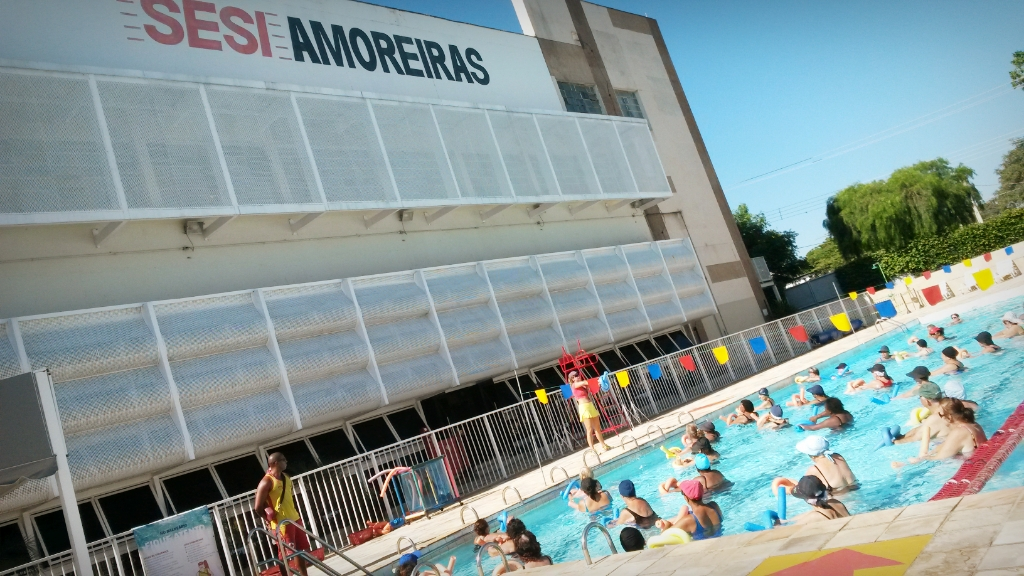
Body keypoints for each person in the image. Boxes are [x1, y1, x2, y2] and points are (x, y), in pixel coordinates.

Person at [255, 453, 310, 576]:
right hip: (281, 524)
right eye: (283, 460)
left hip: (294, 518)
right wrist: (268, 520)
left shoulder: (286, 477)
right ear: (275, 463)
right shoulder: (267, 481)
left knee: (300, 551)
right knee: (284, 555)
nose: (286, 461)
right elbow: (258, 507)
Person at [894, 398, 987, 468]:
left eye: (940, 415)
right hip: (981, 462)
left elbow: (939, 458)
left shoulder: (959, 432)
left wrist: (908, 464)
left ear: (949, 417)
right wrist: (929, 453)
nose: (939, 418)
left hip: (972, 470)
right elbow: (944, 446)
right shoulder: (973, 424)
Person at [774, 436, 857, 496]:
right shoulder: (838, 456)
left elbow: (803, 490)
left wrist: (788, 489)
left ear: (812, 455)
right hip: (857, 494)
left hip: (841, 502)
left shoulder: (814, 470)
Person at [655, 480, 722, 540]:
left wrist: (667, 524)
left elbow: (663, 537)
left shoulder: (688, 520)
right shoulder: (714, 506)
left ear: (686, 497)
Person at [568, 371, 610, 452]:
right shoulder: (574, 385)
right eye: (576, 376)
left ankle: (603, 445)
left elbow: (590, 386)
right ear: (572, 378)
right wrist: (597, 380)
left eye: (578, 375)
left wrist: (598, 383)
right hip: (584, 407)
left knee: (597, 427)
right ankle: (592, 449)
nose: (578, 376)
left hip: (590, 405)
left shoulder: (583, 386)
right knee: (589, 429)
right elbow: (586, 382)